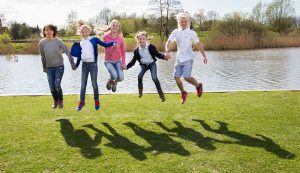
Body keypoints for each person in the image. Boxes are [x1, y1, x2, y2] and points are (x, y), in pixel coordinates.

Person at [70, 24, 117, 111]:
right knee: (83, 85)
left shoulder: (94, 40)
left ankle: (96, 100)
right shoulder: (81, 43)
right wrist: (76, 65)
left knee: (94, 84)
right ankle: (81, 102)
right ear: (81, 33)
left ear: (89, 32)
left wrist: (112, 43)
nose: (84, 33)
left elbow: (105, 44)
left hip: (93, 66)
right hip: (84, 65)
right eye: (83, 32)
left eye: (86, 31)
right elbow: (80, 56)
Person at [165, 12, 208, 104]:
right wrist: (167, 51)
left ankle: (198, 86)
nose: (183, 23)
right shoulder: (175, 32)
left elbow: (199, 45)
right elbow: (168, 42)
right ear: (179, 23)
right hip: (179, 58)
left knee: (186, 76)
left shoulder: (192, 33)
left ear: (188, 22)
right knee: (176, 77)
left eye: (185, 21)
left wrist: (204, 56)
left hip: (188, 57)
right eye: (181, 22)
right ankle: (183, 92)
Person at [39, 24, 76, 109]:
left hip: (59, 66)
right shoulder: (41, 43)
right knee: (51, 86)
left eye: (50, 30)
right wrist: (44, 67)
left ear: (53, 31)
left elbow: (67, 51)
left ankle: (61, 101)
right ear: (44, 32)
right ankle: (55, 101)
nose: (48, 32)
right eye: (46, 30)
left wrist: (72, 63)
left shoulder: (58, 41)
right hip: (49, 67)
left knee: (57, 84)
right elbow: (42, 56)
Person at [126, 31, 170, 102]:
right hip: (144, 65)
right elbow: (133, 61)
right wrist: (127, 67)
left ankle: (161, 94)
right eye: (140, 39)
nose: (141, 40)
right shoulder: (137, 51)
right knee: (140, 75)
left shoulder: (151, 47)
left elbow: (157, 54)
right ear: (138, 40)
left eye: (143, 39)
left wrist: (164, 57)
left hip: (152, 63)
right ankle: (140, 90)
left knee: (154, 78)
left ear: (146, 39)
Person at [102, 19, 126, 92]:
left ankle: (113, 82)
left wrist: (123, 63)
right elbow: (107, 51)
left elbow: (123, 52)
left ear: (119, 28)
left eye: (117, 26)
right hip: (108, 61)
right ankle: (111, 80)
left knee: (121, 78)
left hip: (118, 61)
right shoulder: (105, 37)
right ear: (110, 27)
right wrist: (113, 47)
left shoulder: (120, 39)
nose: (115, 27)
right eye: (113, 25)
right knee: (114, 75)